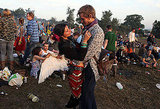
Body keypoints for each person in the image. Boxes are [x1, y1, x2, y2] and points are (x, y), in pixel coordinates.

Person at [54, 23, 91, 108]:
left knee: (78, 89)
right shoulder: (64, 45)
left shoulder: (68, 39)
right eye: (67, 30)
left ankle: (72, 103)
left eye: (69, 28)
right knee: (77, 89)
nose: (70, 31)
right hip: (75, 70)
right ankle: (73, 104)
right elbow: (80, 57)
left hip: (77, 67)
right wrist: (84, 41)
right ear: (61, 34)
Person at [78, 5, 104, 109]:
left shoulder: (97, 32)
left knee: (86, 95)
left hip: (91, 67)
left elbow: (89, 52)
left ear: (90, 16)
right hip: (86, 65)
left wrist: (77, 62)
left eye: (82, 19)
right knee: (87, 94)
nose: (81, 21)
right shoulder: (88, 29)